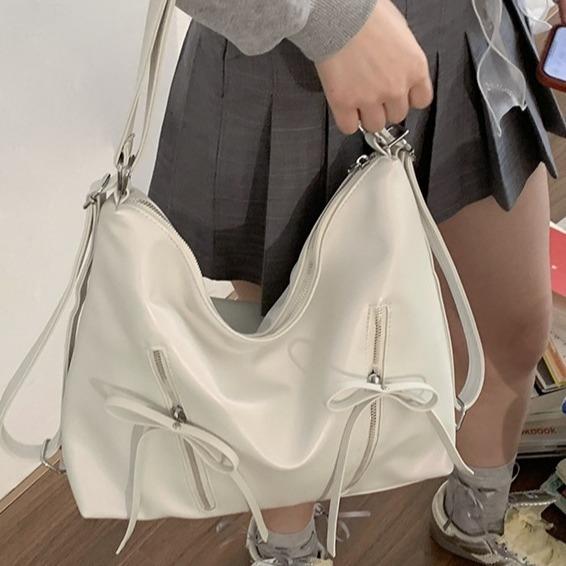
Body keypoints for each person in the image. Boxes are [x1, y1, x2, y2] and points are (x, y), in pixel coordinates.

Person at [148, 0, 566, 564]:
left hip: (470, 31)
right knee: (292, 367)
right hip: (290, 60)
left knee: (512, 326)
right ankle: (286, 550)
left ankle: (477, 516)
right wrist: (332, 18)